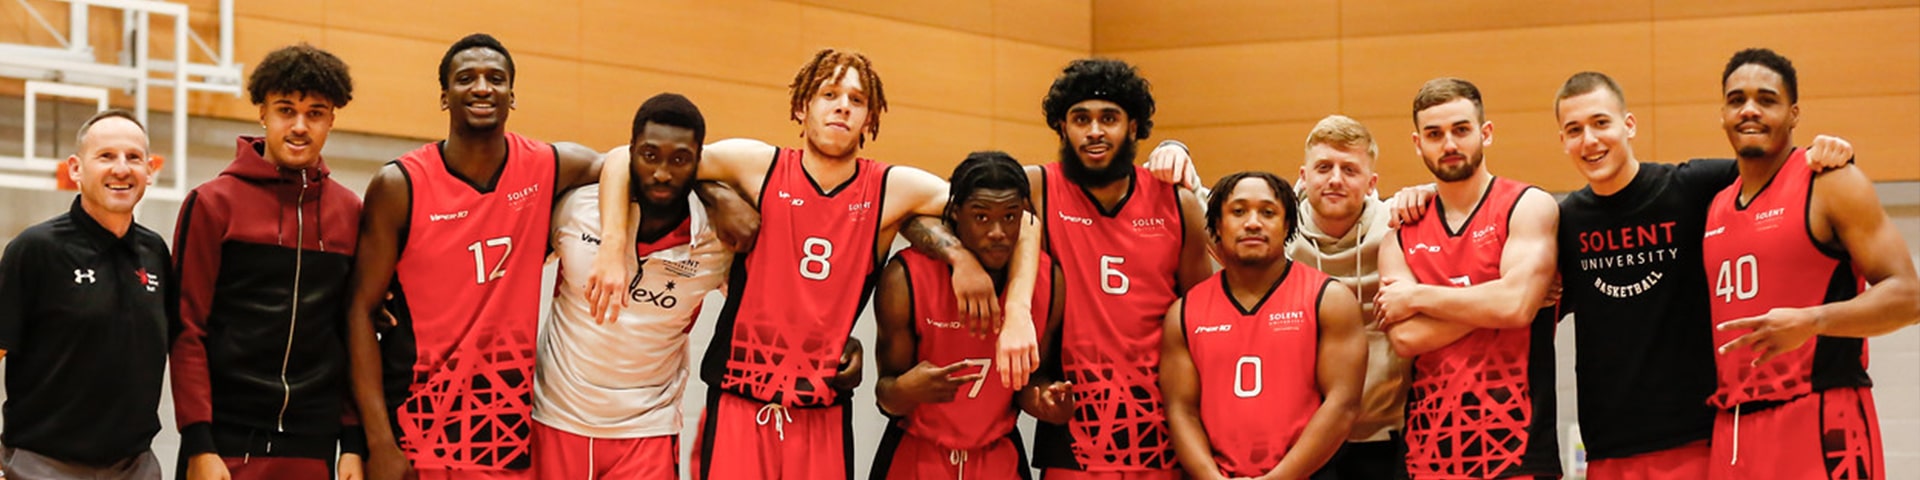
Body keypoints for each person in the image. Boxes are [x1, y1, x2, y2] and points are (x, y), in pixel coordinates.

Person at [592, 48, 1043, 480]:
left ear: (871, 119)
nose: (842, 107)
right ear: (801, 107)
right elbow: (621, 158)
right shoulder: (757, 165)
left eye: (857, 100)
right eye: (829, 95)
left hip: (822, 408)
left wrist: (999, 291)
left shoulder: (891, 188)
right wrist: (617, 246)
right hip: (739, 400)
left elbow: (1019, 218)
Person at [344, 33, 762, 480]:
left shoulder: (546, 168)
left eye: (496, 79)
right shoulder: (400, 185)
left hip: (501, 436)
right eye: (467, 78)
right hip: (415, 424)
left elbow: (638, 165)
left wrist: (715, 194)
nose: (483, 87)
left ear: (512, 95)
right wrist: (375, 443)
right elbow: (358, 313)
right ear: (444, 96)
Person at [1550, 71, 1853, 480]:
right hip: (1606, 450)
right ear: (1563, 141)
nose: (1589, 140)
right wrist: (1430, 195)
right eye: (1574, 129)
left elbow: (1774, 167)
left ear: (1629, 125)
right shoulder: (1564, 222)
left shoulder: (1692, 187)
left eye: (1600, 123)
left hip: (1697, 440)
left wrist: (1822, 150)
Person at [1700, 48, 1919, 480]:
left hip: (1820, 413)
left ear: (1794, 113)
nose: (1750, 110)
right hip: (1734, 428)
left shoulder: (1831, 182)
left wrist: (1812, 321)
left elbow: (1909, 297)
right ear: (1722, 114)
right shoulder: (1714, 207)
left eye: (1766, 99)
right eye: (1736, 99)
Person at [167, 43, 366, 480]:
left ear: (332, 118)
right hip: (224, 445)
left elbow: (352, 334)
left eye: (315, 113)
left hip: (313, 445)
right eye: (285, 110)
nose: (299, 126)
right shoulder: (212, 203)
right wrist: (199, 442)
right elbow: (187, 330)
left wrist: (352, 443)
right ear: (262, 113)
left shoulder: (350, 212)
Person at [1024, 58, 1213, 479]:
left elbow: (1207, 316)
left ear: (1133, 127)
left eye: (1109, 118)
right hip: (1073, 417)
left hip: (1161, 421)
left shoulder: (1176, 203)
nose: (1094, 131)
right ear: (1062, 127)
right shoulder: (1035, 188)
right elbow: (954, 204)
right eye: (1080, 119)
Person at [531, 93, 738, 479]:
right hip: (554, 415)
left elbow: (770, 305)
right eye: (649, 155)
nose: (662, 172)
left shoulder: (717, 243)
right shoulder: (577, 210)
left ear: (699, 164)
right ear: (631, 154)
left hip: (648, 429)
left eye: (679, 160)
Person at [1376, 77, 1561, 479]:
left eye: (1461, 130)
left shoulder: (1527, 206)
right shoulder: (1398, 236)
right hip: (1429, 452)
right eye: (1434, 134)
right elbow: (1407, 338)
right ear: (1417, 142)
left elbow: (1515, 307)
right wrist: (1495, 301)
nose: (1449, 144)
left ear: (1485, 132)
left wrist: (1418, 296)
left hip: (1519, 444)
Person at [870, 151, 1066, 480]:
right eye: (982, 217)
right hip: (917, 453)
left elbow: (1030, 384)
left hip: (998, 457)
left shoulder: (1048, 282)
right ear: (955, 214)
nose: (998, 232)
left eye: (1010, 216)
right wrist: (909, 390)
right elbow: (886, 396)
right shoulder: (906, 277)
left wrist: (1045, 402)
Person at [1162, 170, 1367, 480]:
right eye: (1239, 211)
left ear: (1287, 225)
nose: (1253, 223)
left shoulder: (1329, 299)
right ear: (1217, 224)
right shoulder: (1183, 313)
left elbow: (1343, 404)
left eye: (1268, 212)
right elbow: (1181, 411)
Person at [0, 109, 169, 480]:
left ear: (150, 171)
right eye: (106, 156)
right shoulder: (35, 249)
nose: (122, 169)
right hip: (42, 466)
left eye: (134, 157)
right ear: (76, 169)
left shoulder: (156, 252)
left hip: (135, 466)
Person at [1282, 115, 1411, 480]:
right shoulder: (1275, 231)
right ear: (1303, 176)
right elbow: (1204, 206)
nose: (1335, 179)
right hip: (1301, 436)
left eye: (1349, 170)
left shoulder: (1400, 224)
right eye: (1324, 167)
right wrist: (1172, 148)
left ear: (1371, 184)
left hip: (1386, 436)